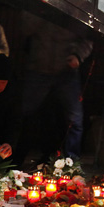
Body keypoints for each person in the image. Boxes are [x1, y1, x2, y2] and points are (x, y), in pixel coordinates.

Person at [17, 21, 92, 163]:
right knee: (24, 112)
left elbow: (87, 38)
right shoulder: (41, 5)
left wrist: (78, 56)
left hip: (67, 71)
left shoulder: (75, 9)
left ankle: (71, 164)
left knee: (74, 118)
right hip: (38, 68)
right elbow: (26, 27)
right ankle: (15, 158)